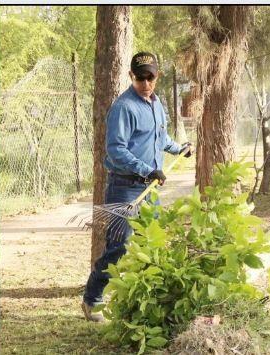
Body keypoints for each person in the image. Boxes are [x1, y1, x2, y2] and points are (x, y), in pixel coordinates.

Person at [81, 51, 193, 322]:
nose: (146, 83)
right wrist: (147, 169)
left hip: (150, 188)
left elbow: (160, 137)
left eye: (150, 77)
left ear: (158, 76)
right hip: (125, 187)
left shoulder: (156, 103)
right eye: (140, 78)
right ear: (132, 76)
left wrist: (179, 149)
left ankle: (141, 300)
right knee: (119, 248)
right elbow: (115, 150)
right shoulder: (124, 107)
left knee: (148, 243)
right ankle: (92, 300)